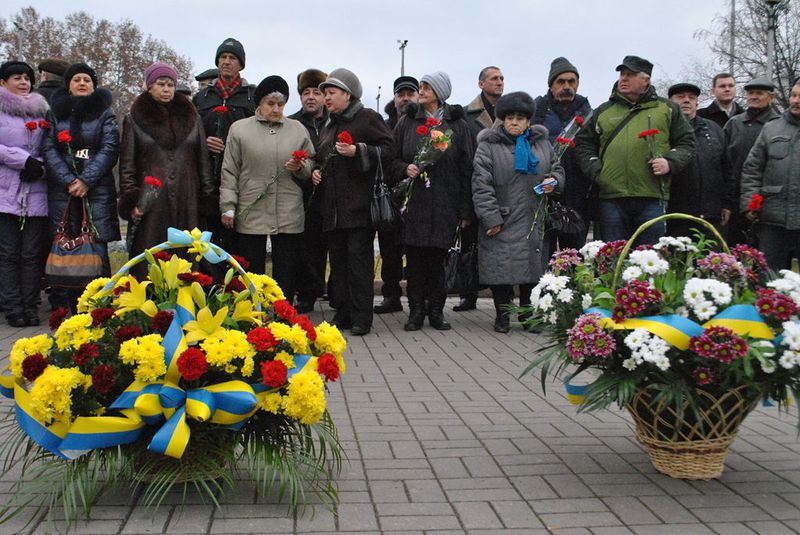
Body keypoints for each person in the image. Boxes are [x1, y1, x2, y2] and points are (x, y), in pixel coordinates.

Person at [575, 55, 694, 245]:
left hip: (653, 197)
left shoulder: (667, 109)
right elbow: (583, 144)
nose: (623, 79)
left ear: (646, 80)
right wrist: (596, 170)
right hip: (611, 198)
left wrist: (670, 162)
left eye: (630, 75)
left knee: (650, 260)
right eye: (622, 74)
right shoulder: (603, 111)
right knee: (614, 259)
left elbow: (687, 142)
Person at [472, 92, 563, 333]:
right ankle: (502, 315)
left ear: (528, 121)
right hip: (502, 217)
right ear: (502, 119)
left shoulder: (542, 144)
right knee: (500, 268)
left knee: (531, 268)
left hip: (533, 216)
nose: (514, 122)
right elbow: (481, 185)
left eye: (520, 118)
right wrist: (491, 217)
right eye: (509, 117)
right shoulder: (488, 146)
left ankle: (526, 313)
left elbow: (557, 169)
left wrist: (554, 181)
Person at [390, 71, 474, 331]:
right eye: (422, 86)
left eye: (427, 86)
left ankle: (436, 311)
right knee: (414, 261)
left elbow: (466, 167)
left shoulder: (456, 124)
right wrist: (405, 168)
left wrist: (465, 209)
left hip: (444, 203)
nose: (421, 90)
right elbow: (391, 158)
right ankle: (415, 312)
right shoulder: (407, 120)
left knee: (439, 260)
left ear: (439, 92)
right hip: (414, 203)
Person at [312, 68, 394, 336]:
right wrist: (316, 170)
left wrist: (358, 151)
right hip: (333, 209)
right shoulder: (329, 123)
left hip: (359, 209)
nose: (326, 98)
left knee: (359, 266)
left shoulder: (367, 117)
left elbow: (389, 150)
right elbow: (323, 157)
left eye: (331, 92)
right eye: (325, 93)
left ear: (347, 94)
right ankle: (344, 313)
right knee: (339, 265)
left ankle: (362, 318)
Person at [220, 75, 315, 301]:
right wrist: (228, 206)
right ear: (259, 104)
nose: (275, 109)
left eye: (280, 104)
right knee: (251, 269)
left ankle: (284, 314)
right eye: (270, 104)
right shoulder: (239, 130)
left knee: (286, 270)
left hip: (288, 210)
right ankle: (253, 314)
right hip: (251, 208)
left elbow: (310, 164)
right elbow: (230, 170)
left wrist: (300, 166)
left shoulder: (297, 129)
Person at [118, 62, 215, 271]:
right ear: (149, 86)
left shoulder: (192, 118)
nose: (166, 89)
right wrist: (131, 200)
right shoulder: (134, 119)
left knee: (188, 258)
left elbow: (203, 161)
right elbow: (127, 166)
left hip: (187, 198)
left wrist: (207, 197)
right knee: (152, 259)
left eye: (170, 84)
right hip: (152, 201)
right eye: (161, 84)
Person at [42, 62, 120, 312]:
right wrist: (69, 180)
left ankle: (99, 306)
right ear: (68, 84)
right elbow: (48, 148)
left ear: (94, 85)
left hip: (97, 191)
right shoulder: (55, 113)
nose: (82, 83)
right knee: (63, 245)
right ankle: (63, 307)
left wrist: (85, 180)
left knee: (97, 247)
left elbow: (109, 149)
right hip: (62, 192)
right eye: (77, 79)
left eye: (87, 79)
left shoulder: (105, 113)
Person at [192, 38, 256, 248]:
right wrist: (203, 142)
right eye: (223, 57)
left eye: (232, 58)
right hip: (207, 180)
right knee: (206, 243)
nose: (227, 62)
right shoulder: (201, 98)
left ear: (241, 64)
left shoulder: (252, 97)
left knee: (237, 243)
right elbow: (190, 134)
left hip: (241, 178)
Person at [0, 61, 50, 327]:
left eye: (26, 78)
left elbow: (51, 147)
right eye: (16, 77)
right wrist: (22, 160)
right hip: (6, 192)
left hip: (36, 192)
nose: (23, 82)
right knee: (8, 253)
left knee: (31, 253)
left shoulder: (42, 111)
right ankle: (12, 306)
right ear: (2, 82)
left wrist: (40, 167)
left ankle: (31, 305)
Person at [456, 66, 504, 312]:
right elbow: (464, 156)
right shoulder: (467, 114)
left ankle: (498, 294)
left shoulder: (509, 114)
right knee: (468, 242)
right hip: (473, 183)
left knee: (495, 242)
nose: (500, 82)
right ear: (481, 84)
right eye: (494, 78)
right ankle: (468, 293)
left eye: (502, 78)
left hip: (500, 188)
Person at [739, 80, 800, 271]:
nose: (796, 101)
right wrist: (750, 202)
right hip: (773, 218)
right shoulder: (771, 128)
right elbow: (752, 169)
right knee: (769, 279)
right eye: (794, 95)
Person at [533, 57, 592, 249]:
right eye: (561, 81)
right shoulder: (538, 110)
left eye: (571, 81)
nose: (566, 86)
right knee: (543, 252)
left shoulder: (588, 113)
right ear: (551, 85)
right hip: (545, 191)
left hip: (578, 192)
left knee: (575, 253)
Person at [375, 75, 419, 315]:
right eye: (401, 94)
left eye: (410, 94)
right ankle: (391, 296)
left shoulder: (424, 122)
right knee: (389, 251)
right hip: (391, 196)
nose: (405, 98)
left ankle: (417, 298)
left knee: (414, 251)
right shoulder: (384, 124)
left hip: (419, 195)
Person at [665, 82, 731, 238]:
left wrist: (727, 203)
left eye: (691, 97)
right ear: (670, 102)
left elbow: (727, 169)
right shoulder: (663, 129)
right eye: (680, 97)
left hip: (709, 215)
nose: (686, 100)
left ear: (697, 102)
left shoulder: (714, 129)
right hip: (673, 215)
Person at [289, 69, 329, 313]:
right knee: (306, 246)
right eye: (306, 92)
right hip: (302, 193)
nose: (311, 97)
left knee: (333, 246)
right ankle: (307, 294)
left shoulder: (333, 121)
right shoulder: (293, 123)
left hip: (331, 193)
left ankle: (335, 292)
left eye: (317, 92)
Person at [723, 77, 780, 246]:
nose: (754, 97)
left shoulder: (778, 125)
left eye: (759, 93)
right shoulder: (734, 123)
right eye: (750, 93)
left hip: (767, 200)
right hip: (735, 198)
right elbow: (724, 159)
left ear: (771, 97)